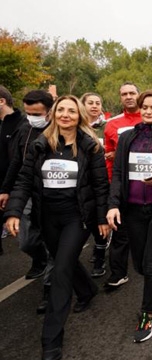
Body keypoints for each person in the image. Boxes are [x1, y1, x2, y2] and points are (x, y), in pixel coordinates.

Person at [4, 95, 108, 360]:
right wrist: (14, 211)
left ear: (79, 116)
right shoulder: (40, 146)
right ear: (54, 114)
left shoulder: (90, 146)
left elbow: (99, 186)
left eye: (71, 111)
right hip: (47, 217)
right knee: (66, 262)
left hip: (77, 217)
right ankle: (86, 290)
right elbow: (24, 180)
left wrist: (101, 218)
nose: (65, 115)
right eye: (61, 110)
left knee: (61, 269)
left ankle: (51, 340)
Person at [106, 90, 152, 342]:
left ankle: (148, 314)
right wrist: (113, 203)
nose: (149, 111)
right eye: (145, 107)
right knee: (139, 265)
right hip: (133, 209)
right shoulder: (128, 137)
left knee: (149, 263)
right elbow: (118, 173)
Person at [0, 90, 54, 313]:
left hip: (54, 195)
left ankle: (50, 289)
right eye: (29, 112)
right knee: (25, 241)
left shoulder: (59, 129)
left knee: (55, 244)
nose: (32, 117)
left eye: (37, 113)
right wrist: (5, 189)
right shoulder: (24, 129)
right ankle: (39, 258)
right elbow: (16, 163)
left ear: (49, 112)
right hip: (27, 191)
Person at [103, 82, 141, 290]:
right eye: (124, 94)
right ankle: (118, 272)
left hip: (148, 185)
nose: (128, 97)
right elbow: (109, 157)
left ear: (139, 94)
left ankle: (151, 268)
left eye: (132, 93)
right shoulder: (112, 124)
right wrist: (111, 185)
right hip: (121, 184)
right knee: (119, 229)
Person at [80, 92, 109, 278]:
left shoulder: (106, 127)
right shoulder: (76, 127)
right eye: (90, 103)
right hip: (81, 182)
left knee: (100, 219)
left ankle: (99, 256)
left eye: (98, 103)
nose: (94, 106)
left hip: (102, 178)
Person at [0, 85, 25, 254]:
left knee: (29, 238)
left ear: (1, 101)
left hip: (18, 186)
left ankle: (42, 261)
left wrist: (8, 188)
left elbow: (18, 160)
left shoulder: (23, 123)